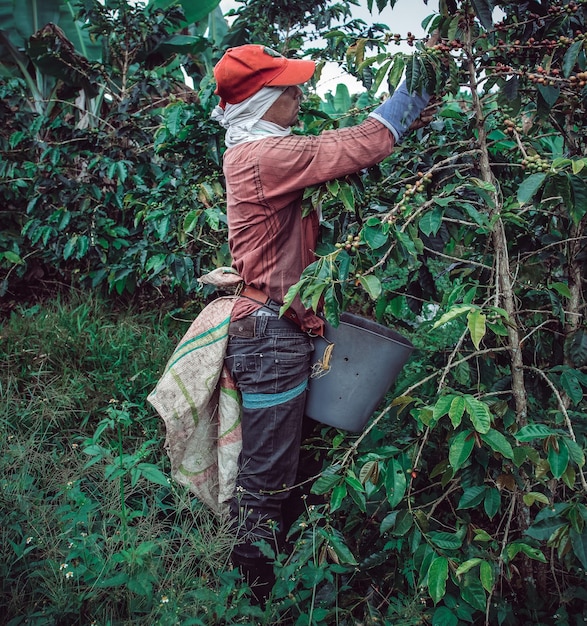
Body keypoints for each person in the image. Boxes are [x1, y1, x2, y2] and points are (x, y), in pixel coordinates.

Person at [211, 41, 436, 604]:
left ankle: (270, 584)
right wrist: (419, 84)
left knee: (283, 465)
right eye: (287, 88)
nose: (298, 93)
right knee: (265, 478)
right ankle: (250, 601)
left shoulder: (258, 151)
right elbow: (361, 144)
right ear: (261, 101)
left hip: (274, 328)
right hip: (269, 336)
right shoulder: (264, 157)